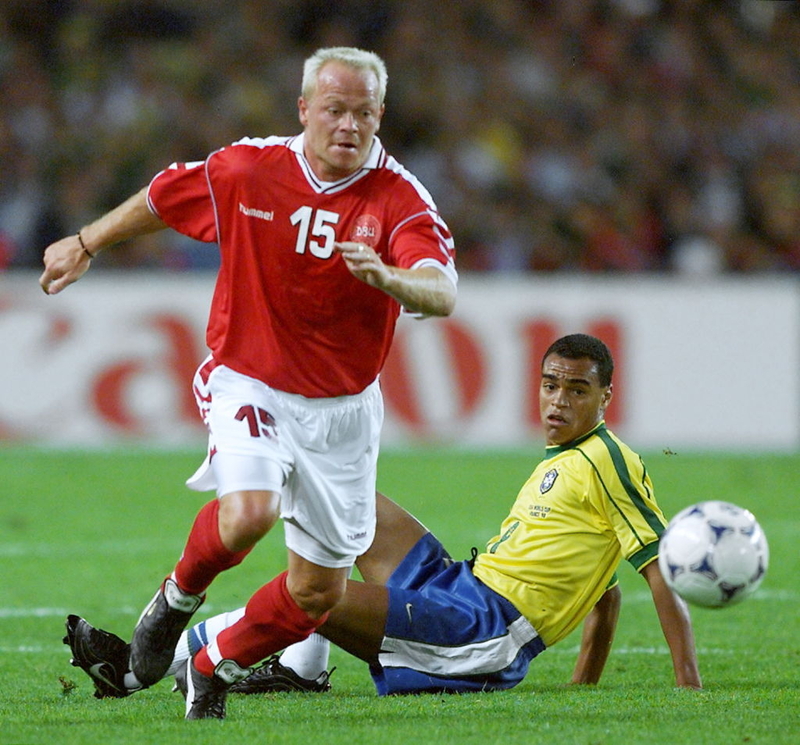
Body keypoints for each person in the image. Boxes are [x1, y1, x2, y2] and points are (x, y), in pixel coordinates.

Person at [42, 46, 457, 720]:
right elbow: (163, 195)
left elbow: (440, 290)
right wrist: (85, 242)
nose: (348, 125)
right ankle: (175, 598)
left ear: (380, 116)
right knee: (248, 512)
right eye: (334, 110)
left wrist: (390, 278)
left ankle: (214, 663)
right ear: (304, 110)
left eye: (363, 113)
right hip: (250, 380)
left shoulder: (399, 197)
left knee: (318, 592)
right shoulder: (252, 167)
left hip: (343, 413)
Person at [63, 334, 702, 717]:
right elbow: (604, 590)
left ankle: (136, 669)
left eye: (577, 391)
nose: (558, 402)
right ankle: (302, 665)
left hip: (478, 632)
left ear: (606, 398)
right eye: (550, 386)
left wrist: (687, 688)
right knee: (340, 499)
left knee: (318, 591)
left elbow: (659, 573)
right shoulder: (566, 462)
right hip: (460, 585)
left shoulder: (611, 460)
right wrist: (582, 685)